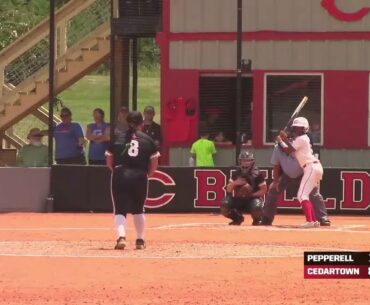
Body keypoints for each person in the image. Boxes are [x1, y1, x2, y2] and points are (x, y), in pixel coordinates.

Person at [105, 111, 160, 250]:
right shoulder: (148, 139)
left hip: (120, 173)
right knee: (138, 209)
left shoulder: (118, 137)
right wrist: (148, 174)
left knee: (119, 209)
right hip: (140, 175)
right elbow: (154, 162)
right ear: (141, 123)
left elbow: (109, 159)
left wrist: (115, 170)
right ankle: (140, 240)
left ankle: (121, 237)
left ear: (127, 122)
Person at [259, 144, 331, 226]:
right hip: (286, 174)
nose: (284, 149)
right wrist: (275, 181)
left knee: (313, 193)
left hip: (303, 173)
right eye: (282, 146)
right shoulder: (277, 148)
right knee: (272, 190)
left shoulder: (297, 146)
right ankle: (267, 218)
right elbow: (276, 165)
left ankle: (322, 217)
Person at [276, 117, 324, 228]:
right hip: (314, 167)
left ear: (304, 129)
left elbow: (288, 150)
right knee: (305, 195)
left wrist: (280, 141)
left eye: (299, 128)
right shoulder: (303, 138)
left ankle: (310, 221)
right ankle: (313, 221)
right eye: (296, 128)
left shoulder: (301, 138)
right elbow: (291, 145)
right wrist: (284, 139)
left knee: (301, 195)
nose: (297, 129)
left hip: (311, 167)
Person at [220, 151, 267, 225]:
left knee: (256, 206)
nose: (245, 162)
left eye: (248, 160)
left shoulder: (258, 173)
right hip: (238, 198)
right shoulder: (236, 173)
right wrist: (235, 183)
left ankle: (257, 220)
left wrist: (251, 195)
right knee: (224, 204)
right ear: (240, 161)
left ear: (252, 162)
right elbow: (228, 189)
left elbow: (263, 190)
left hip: (252, 199)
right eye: (243, 160)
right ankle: (237, 218)